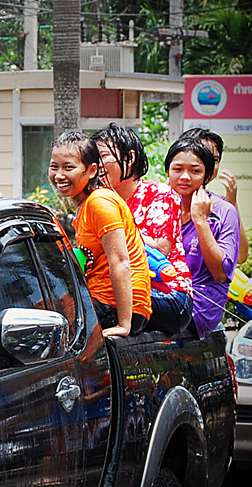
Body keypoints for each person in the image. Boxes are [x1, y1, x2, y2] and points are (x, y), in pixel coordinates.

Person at [48, 131, 150, 337]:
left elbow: (120, 261)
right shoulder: (84, 206)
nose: (59, 175)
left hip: (115, 307)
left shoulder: (99, 202)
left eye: (68, 167)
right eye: (54, 167)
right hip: (101, 301)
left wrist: (124, 325)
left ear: (92, 170)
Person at [94, 123, 192, 334]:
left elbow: (161, 249)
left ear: (129, 158)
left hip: (171, 295)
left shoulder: (159, 194)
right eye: (93, 159)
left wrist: (118, 232)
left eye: (102, 156)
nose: (97, 165)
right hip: (127, 289)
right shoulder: (99, 202)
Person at [165, 137, 242, 338]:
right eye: (178, 169)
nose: (185, 177)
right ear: (168, 172)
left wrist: (200, 220)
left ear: (207, 175)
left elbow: (220, 273)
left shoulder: (224, 212)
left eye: (195, 171)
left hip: (198, 309)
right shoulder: (159, 209)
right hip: (162, 297)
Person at [180, 127, 248, 264]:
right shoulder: (159, 200)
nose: (209, 163)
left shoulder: (222, 208)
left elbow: (240, 257)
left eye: (215, 160)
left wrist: (232, 205)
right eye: (202, 156)